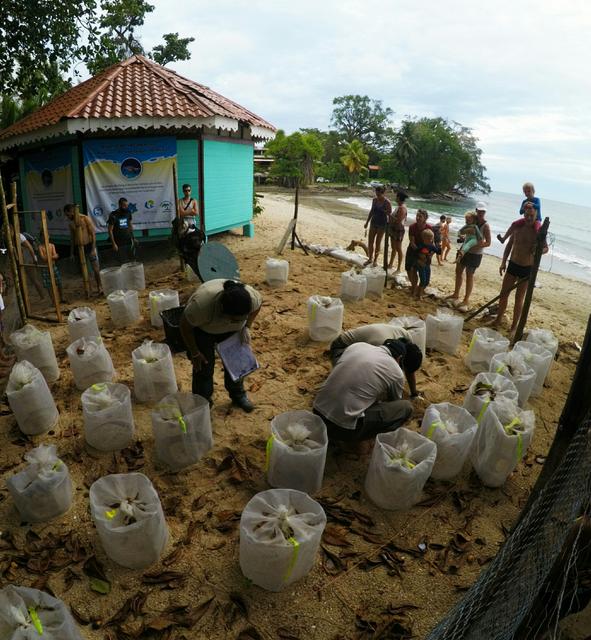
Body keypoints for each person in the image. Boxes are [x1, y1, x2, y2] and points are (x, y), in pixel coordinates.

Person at [179, 279, 262, 412]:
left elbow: (258, 307)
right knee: (203, 367)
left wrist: (247, 326)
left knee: (236, 363)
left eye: (242, 317)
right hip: (203, 331)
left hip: (233, 331)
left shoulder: (251, 298)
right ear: (222, 310)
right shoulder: (201, 305)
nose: (238, 320)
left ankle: (238, 395)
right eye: (234, 319)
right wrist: (194, 352)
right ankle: (203, 404)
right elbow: (185, 326)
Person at [313, 339, 419, 442]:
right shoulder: (396, 370)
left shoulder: (358, 346)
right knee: (405, 407)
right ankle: (361, 440)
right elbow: (394, 400)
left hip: (317, 413)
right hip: (342, 428)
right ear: (399, 358)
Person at [490, 205, 548, 334]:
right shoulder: (517, 227)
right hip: (513, 265)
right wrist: (503, 262)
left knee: (519, 299)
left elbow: (545, 248)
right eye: (526, 215)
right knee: (503, 294)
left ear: (536, 216)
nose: (528, 218)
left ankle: (514, 326)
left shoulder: (538, 232)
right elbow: (509, 246)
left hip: (527, 269)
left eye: (531, 216)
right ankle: (498, 319)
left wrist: (537, 250)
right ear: (524, 215)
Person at [329, 322, 423, 397]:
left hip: (358, 347)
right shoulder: (380, 345)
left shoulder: (407, 339)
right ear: (400, 358)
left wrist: (414, 392)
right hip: (340, 348)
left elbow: (409, 369)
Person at [446, 202, 491, 312]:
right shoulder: (472, 220)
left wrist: (479, 244)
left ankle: (466, 299)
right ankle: (456, 294)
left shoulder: (486, 225)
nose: (481, 213)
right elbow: (465, 233)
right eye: (479, 211)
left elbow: (488, 243)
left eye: (483, 211)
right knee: (458, 272)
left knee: (469, 275)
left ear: (485, 212)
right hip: (464, 251)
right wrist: (462, 237)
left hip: (475, 254)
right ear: (476, 210)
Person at [64, 204, 102, 294]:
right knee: (84, 270)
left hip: (89, 245)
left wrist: (93, 249)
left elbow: (93, 234)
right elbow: (72, 239)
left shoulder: (85, 218)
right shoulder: (71, 223)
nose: (67, 216)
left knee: (96, 269)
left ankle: (100, 287)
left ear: (72, 212)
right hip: (80, 248)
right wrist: (72, 253)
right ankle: (88, 289)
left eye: (68, 214)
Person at [363, 185, 392, 267]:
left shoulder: (387, 202)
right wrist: (367, 222)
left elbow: (389, 215)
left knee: (377, 243)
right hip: (373, 222)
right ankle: (370, 259)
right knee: (370, 242)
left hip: (382, 225)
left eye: (379, 194)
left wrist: (388, 228)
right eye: (376, 194)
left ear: (383, 194)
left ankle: (375, 260)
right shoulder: (374, 200)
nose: (377, 196)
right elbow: (371, 211)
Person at [405, 209, 431, 294]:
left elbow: (432, 243)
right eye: (417, 216)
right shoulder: (412, 227)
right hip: (413, 250)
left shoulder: (429, 228)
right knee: (409, 269)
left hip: (424, 252)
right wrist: (418, 253)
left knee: (421, 271)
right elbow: (412, 242)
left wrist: (427, 254)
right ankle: (414, 286)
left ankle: (418, 288)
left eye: (420, 216)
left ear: (425, 218)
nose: (418, 218)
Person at [108, 198, 136, 264]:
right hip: (119, 242)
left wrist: (133, 238)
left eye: (127, 205)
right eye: (124, 205)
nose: (126, 207)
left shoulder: (128, 212)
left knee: (132, 259)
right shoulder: (113, 215)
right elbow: (110, 230)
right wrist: (113, 244)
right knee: (122, 261)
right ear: (120, 205)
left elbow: (130, 226)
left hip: (128, 239)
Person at [38, 237, 66, 303]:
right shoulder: (40, 247)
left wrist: (50, 257)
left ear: (48, 237)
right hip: (46, 268)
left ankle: (62, 297)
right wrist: (52, 256)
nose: (45, 238)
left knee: (59, 282)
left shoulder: (52, 245)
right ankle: (53, 300)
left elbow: (56, 256)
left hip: (53, 266)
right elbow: (43, 258)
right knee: (48, 285)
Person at [415, 228, 441, 298]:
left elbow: (438, 252)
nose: (430, 240)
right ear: (423, 238)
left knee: (427, 281)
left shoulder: (431, 246)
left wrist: (439, 247)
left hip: (427, 265)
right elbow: (416, 253)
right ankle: (419, 294)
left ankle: (420, 290)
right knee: (423, 280)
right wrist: (419, 260)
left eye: (431, 239)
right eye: (429, 239)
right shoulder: (421, 246)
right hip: (421, 264)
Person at [387, 190, 408, 272]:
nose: (395, 198)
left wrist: (389, 215)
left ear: (399, 198)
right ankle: (391, 264)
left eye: (396, 196)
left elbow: (398, 221)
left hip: (398, 229)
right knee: (393, 248)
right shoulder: (399, 206)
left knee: (398, 248)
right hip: (394, 229)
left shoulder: (402, 208)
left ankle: (399, 268)